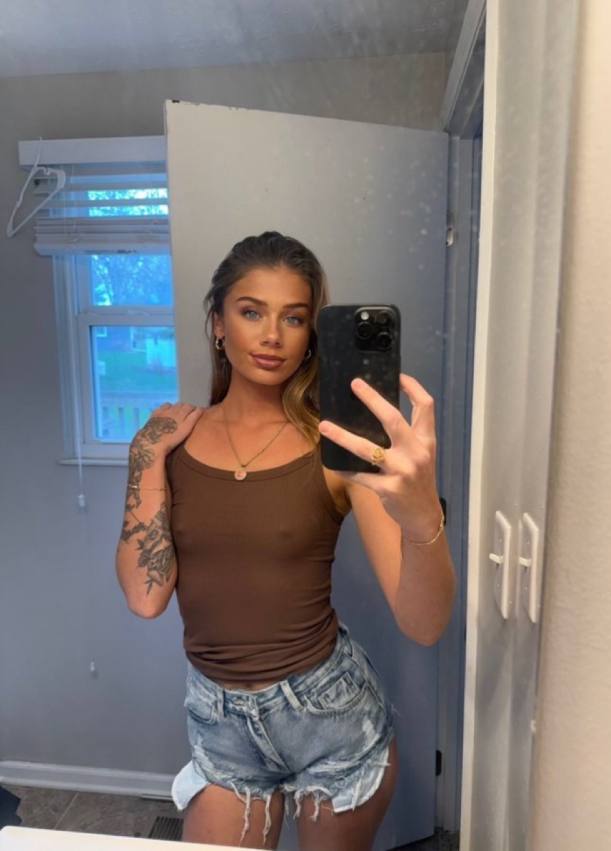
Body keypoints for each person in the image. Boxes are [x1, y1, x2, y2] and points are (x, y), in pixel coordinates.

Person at [115, 232, 456, 849]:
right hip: (220, 722)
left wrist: (420, 511)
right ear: (218, 324)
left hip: (330, 716)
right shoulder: (173, 444)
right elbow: (145, 597)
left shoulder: (339, 448)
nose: (272, 335)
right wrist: (144, 457)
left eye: (293, 318)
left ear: (311, 336)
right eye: (252, 312)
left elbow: (424, 623)